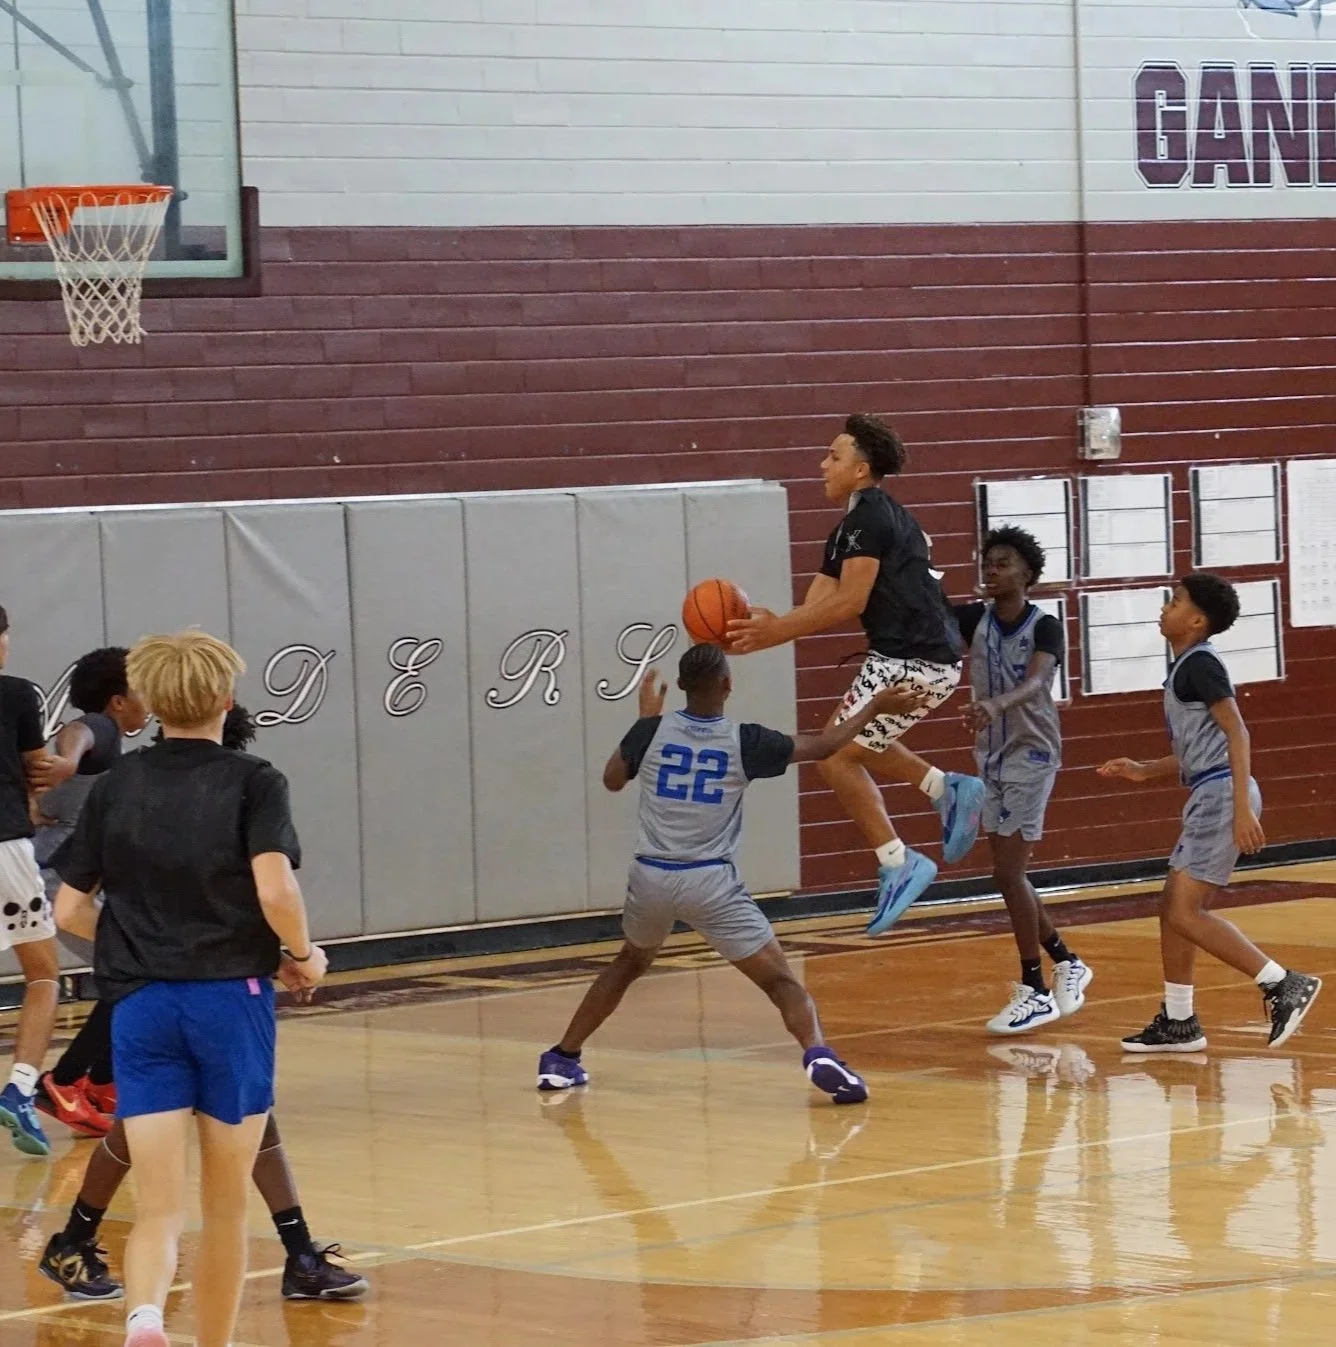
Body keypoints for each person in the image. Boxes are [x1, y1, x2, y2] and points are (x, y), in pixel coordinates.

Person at [52, 630, 329, 1347]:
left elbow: (69, 909)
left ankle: (145, 1317)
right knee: (226, 1209)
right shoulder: (254, 780)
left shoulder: (116, 785)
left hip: (143, 1006)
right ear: (226, 699)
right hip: (229, 1001)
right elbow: (276, 889)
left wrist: (134, 945)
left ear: (150, 700)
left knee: (157, 1208)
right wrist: (303, 954)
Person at [536, 643, 929, 1105]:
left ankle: (562, 1058)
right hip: (709, 881)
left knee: (629, 963)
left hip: (650, 877)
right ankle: (819, 1054)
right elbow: (825, 746)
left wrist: (644, 721)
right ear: (727, 685)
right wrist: (875, 705)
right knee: (781, 983)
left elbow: (612, 780)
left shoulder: (652, 730)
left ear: (682, 687)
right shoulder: (746, 741)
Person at [728, 414, 985, 936]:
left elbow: (849, 601)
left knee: (834, 754)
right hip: (920, 658)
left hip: (911, 660)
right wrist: (769, 626)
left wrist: (776, 633)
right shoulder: (854, 525)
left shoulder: (869, 519)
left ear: (861, 469)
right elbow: (816, 605)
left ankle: (899, 860)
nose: (823, 465)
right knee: (855, 745)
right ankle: (945, 788)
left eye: (834, 456)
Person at [1098, 575, 1321, 1052]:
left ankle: (1282, 982)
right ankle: (1179, 1022)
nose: (1165, 608)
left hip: (1222, 795)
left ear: (1196, 620)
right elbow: (1200, 749)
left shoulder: (1200, 664)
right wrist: (1145, 769)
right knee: (1172, 909)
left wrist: (1240, 808)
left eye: (1176, 602)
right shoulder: (1187, 666)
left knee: (1185, 911)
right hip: (1212, 790)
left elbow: (1237, 732)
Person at [955, 527, 1092, 1034]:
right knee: (1007, 874)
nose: (992, 570)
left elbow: (1036, 682)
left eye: (1004, 563)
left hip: (1032, 756)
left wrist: (995, 703)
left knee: (1009, 873)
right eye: (988, 562)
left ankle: (1035, 987)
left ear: (1027, 573)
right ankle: (1066, 960)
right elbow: (924, 622)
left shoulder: (1045, 625)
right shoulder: (974, 619)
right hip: (991, 757)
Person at [33, 647, 150, 1139]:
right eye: (141, 690)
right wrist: (66, 761)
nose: (149, 702)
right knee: (137, 972)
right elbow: (78, 733)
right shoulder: (100, 729)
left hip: (57, 879)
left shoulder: (111, 749)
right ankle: (61, 1084)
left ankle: (101, 1083)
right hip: (53, 883)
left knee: (132, 974)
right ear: (118, 700)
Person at [0, 605, 65, 1158]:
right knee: (43, 975)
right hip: (5, 847)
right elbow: (39, 768)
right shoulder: (18, 694)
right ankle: (20, 1089)